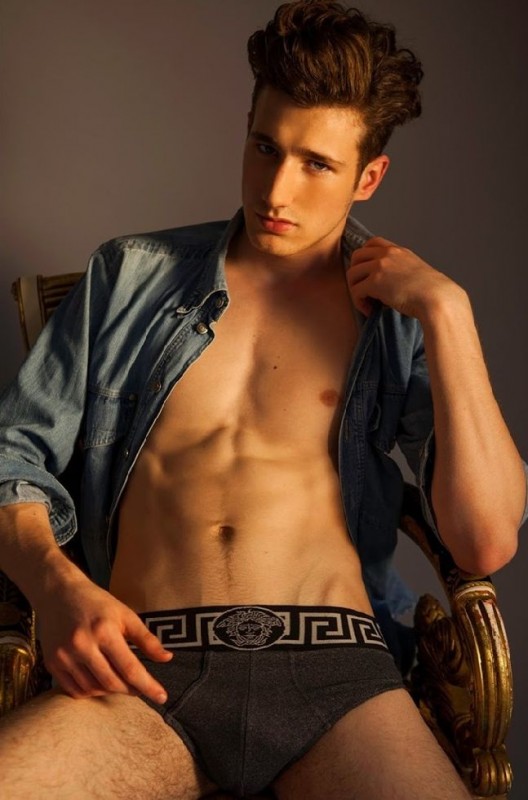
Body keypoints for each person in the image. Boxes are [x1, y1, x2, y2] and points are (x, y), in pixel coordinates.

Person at [0, 1, 526, 798]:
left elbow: (483, 540)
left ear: (368, 177)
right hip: (143, 669)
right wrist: (55, 584)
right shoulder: (129, 275)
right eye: (265, 148)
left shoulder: (398, 320)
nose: (277, 189)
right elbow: (13, 456)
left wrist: (450, 313)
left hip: (339, 681)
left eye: (317, 164)